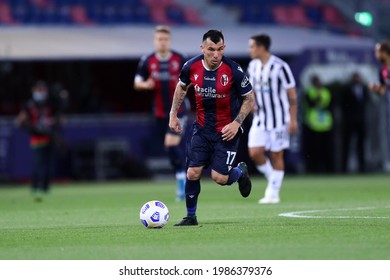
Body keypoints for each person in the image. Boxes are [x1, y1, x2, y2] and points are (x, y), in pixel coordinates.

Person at [169, 29, 255, 226]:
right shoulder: (191, 67)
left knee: (219, 178)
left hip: (227, 132)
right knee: (192, 172)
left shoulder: (233, 70)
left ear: (224, 48)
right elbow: (181, 87)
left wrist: (237, 123)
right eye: (211, 49)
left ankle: (240, 173)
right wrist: (173, 114)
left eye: (220, 49)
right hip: (202, 129)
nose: (216, 55)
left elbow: (249, 98)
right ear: (202, 48)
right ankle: (191, 216)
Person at [134, 25, 188, 201]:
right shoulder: (147, 60)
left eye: (165, 39)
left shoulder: (180, 59)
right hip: (159, 112)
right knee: (170, 147)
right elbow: (137, 82)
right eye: (159, 39)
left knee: (171, 143)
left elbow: (193, 80)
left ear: (169, 41)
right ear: (155, 41)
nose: (162, 42)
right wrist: (145, 85)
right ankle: (182, 175)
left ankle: (182, 181)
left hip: (178, 109)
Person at [246, 34, 298, 204]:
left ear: (261, 47)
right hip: (260, 118)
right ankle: (273, 180)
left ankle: (273, 192)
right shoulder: (252, 66)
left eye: (252, 46)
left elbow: (292, 93)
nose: (250, 50)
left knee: (276, 155)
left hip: (279, 120)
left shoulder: (280, 67)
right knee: (254, 153)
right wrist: (252, 103)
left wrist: (293, 119)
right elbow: (250, 90)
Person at [15, 80, 62, 202]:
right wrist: (31, 128)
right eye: (38, 90)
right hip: (37, 138)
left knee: (50, 165)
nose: (41, 93)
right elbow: (19, 121)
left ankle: (45, 187)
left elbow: (59, 119)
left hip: (50, 137)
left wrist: (54, 124)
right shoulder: (29, 105)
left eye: (43, 90)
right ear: (34, 91)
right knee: (39, 164)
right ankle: (35, 187)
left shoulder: (51, 104)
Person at [302, 74, 334, 174]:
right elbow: (311, 103)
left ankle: (327, 169)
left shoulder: (326, 92)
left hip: (325, 124)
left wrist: (318, 101)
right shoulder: (310, 92)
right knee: (314, 149)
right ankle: (314, 169)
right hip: (313, 125)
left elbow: (328, 104)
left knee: (326, 149)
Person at [341, 72, 370, 173]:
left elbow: (367, 102)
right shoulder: (347, 90)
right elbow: (343, 105)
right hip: (349, 122)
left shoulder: (364, 89)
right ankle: (344, 168)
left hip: (361, 121)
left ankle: (362, 167)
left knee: (361, 145)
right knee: (347, 145)